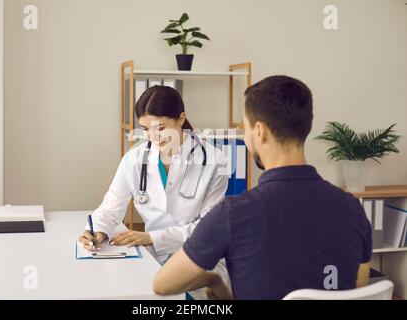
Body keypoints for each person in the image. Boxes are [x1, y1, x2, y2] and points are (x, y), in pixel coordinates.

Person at [153, 75, 372, 300]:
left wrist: (215, 281)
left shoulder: (233, 214)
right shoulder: (352, 209)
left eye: (244, 127)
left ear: (259, 131)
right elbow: (358, 290)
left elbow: (162, 285)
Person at [78, 85, 229, 268]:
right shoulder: (134, 159)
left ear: (181, 119)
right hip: (152, 256)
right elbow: (111, 207)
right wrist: (97, 231)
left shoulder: (214, 161)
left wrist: (151, 237)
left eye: (160, 128)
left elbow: (208, 228)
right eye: (145, 129)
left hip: (199, 256)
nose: (153, 136)